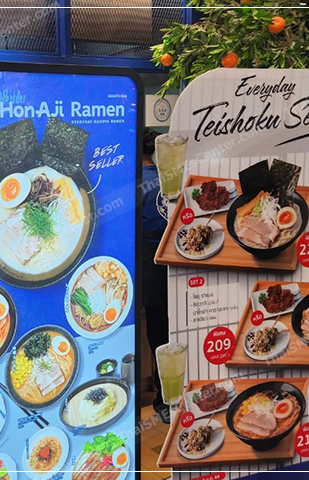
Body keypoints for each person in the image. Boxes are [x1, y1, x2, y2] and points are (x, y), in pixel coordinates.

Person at [141, 127, 170, 423]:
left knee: (159, 334)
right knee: (176, 331)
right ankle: (172, 397)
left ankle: (163, 400)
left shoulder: (134, 182)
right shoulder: (170, 178)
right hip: (178, 261)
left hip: (149, 267)